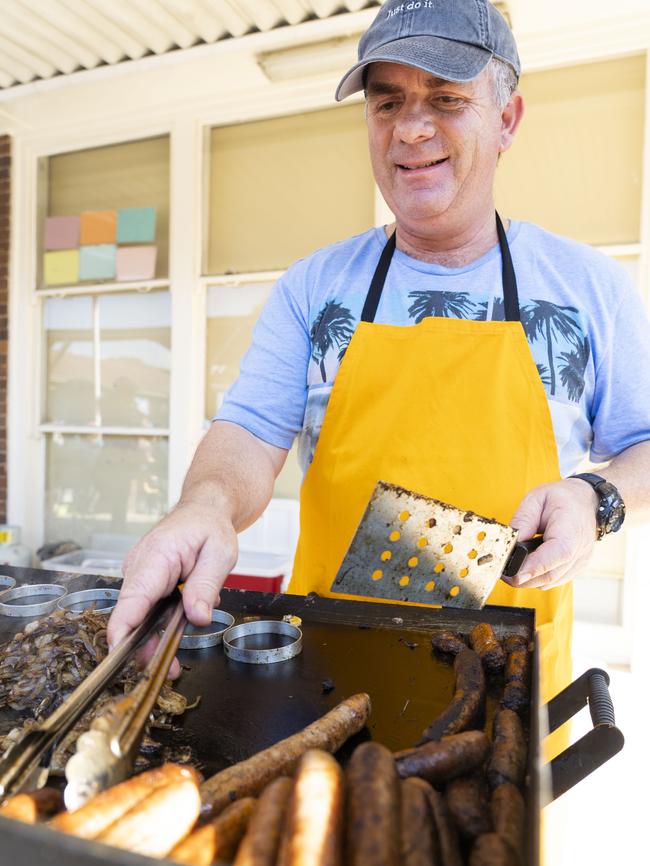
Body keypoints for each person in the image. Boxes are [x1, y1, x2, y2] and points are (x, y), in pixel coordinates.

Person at [108, 0, 650, 724]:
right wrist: (203, 507)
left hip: (504, 691)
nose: (411, 128)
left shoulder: (588, 288)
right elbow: (248, 430)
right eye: (386, 101)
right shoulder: (316, 285)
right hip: (323, 681)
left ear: (509, 119)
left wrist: (596, 498)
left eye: (447, 99)